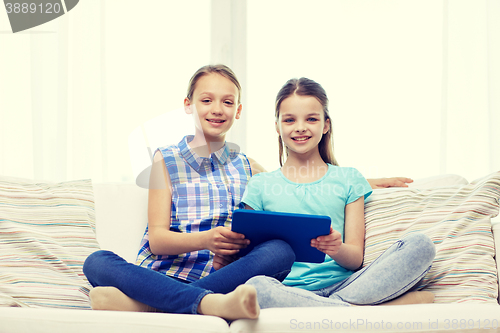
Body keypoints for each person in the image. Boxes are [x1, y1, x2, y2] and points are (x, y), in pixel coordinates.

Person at [83, 64, 297, 320]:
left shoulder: (251, 169)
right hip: (160, 277)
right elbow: (158, 240)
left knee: (281, 250)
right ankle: (207, 303)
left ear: (238, 110)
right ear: (188, 105)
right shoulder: (166, 160)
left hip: (221, 278)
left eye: (227, 102)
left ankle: (155, 304)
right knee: (96, 261)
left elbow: (260, 233)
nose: (217, 109)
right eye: (206, 100)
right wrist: (207, 240)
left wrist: (234, 253)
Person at [241, 77, 436, 308]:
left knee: (421, 245)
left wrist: (337, 248)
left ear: (326, 125)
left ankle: (335, 308)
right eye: (290, 119)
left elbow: (354, 259)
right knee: (255, 287)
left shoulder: (349, 179)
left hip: (347, 285)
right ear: (277, 126)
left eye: (311, 119)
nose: (301, 127)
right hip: (286, 289)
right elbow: (250, 259)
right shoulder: (260, 185)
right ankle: (350, 312)